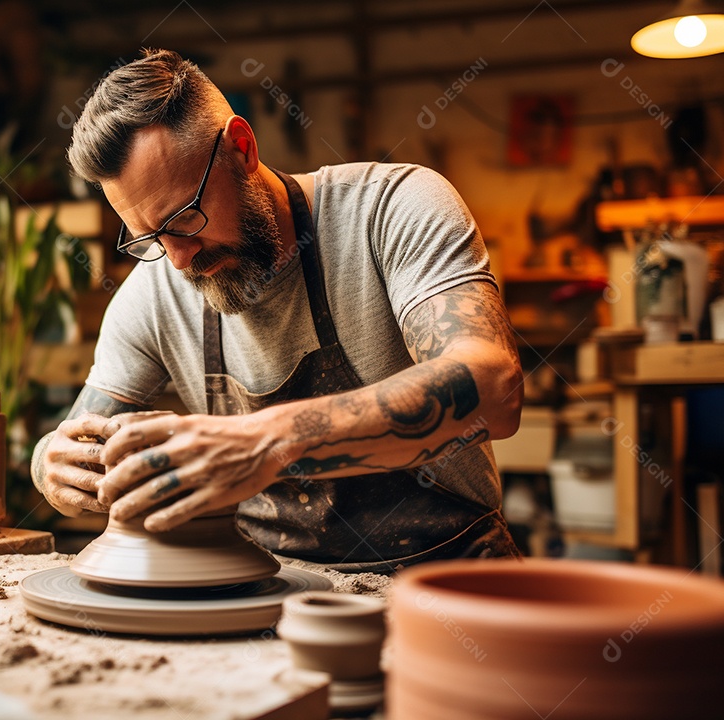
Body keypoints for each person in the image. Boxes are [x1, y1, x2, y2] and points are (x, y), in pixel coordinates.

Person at [31, 49, 523, 573]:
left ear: (241, 148)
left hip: (449, 572)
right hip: (264, 583)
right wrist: (51, 467)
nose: (177, 260)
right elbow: (79, 437)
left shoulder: (392, 208)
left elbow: (494, 390)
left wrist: (266, 443)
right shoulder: (153, 291)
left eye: (185, 217)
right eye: (148, 236)